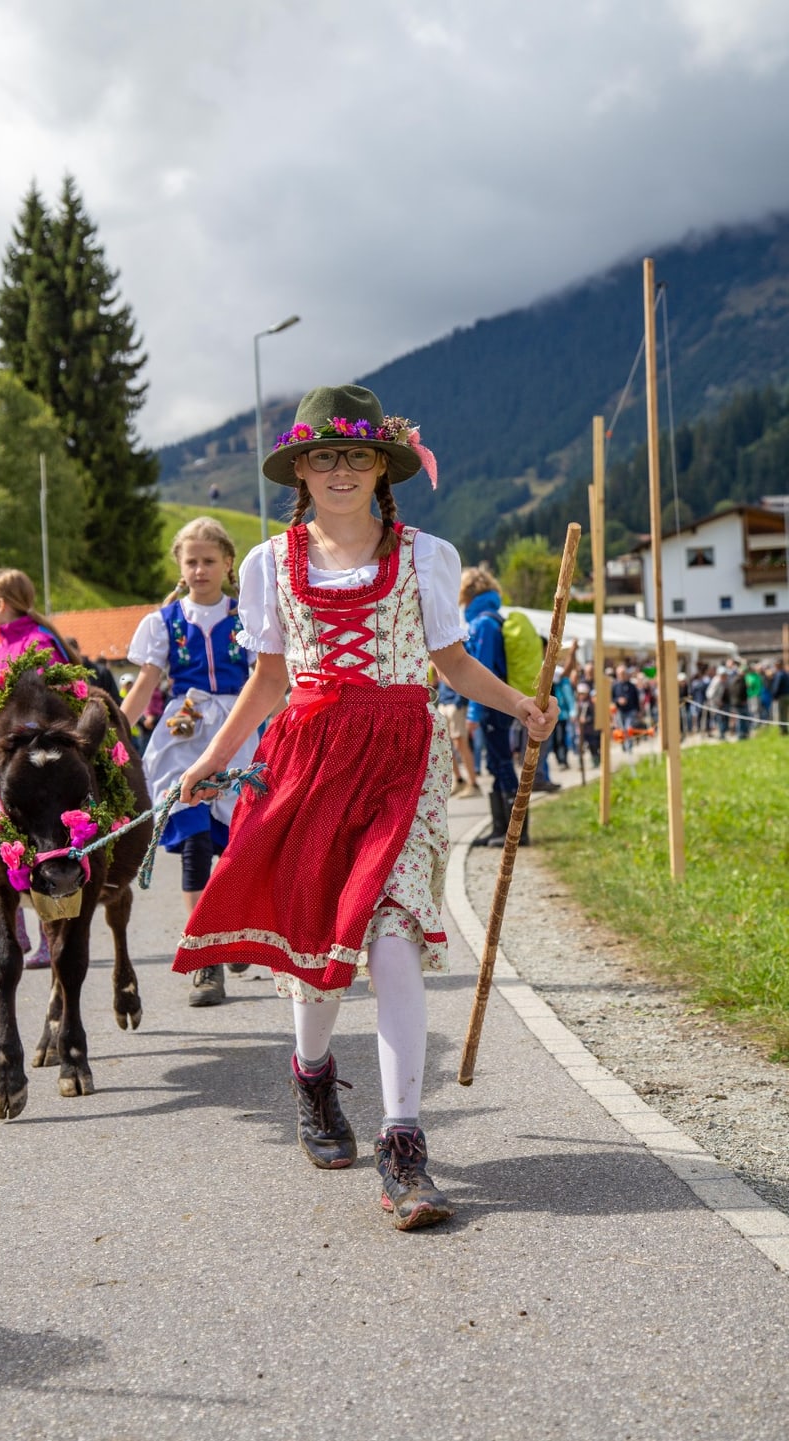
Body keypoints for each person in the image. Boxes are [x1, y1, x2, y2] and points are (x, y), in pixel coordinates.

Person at [171, 384, 557, 1231]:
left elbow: (450, 661)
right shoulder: (268, 565)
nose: (339, 470)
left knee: (391, 938)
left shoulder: (427, 555)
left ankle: (403, 1145)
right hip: (306, 758)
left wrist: (518, 704)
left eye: (354, 455)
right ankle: (311, 1076)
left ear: (381, 466)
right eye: (322, 456)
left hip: (399, 758)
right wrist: (211, 759)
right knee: (317, 947)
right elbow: (268, 680)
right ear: (300, 472)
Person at [123, 517, 257, 1007]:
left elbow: (268, 682)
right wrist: (108, 734)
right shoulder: (163, 623)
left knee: (238, 843)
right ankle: (206, 958)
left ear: (227, 563)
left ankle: (234, 928)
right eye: (191, 561)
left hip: (239, 729)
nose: (200, 569)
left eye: (208, 560)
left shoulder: (247, 617)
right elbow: (144, 686)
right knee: (198, 841)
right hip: (184, 734)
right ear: (180, 567)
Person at [0, 567, 77, 964]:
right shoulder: (1, 646)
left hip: (35, 768)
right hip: (2, 764)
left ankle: (47, 934)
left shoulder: (38, 643)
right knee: (0, 843)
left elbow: (49, 706)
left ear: (0, 604)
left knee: (40, 842)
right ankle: (12, 933)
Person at [462, 564, 540, 846]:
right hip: (499, 704)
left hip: (493, 704)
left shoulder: (482, 623)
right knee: (498, 762)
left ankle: (514, 832)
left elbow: (480, 670)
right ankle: (502, 830)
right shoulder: (494, 617)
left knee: (501, 763)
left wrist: (473, 713)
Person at [435, 674, 479, 798]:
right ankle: (459, 780)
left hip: (455, 703)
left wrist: (458, 702)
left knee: (460, 744)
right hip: (443, 701)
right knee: (444, 745)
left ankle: (473, 784)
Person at [611, 663, 640, 751]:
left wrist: (638, 710)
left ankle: (629, 746)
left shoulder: (631, 686)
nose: (622, 675)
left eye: (623, 673)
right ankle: (624, 744)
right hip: (620, 711)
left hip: (630, 711)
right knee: (621, 729)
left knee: (628, 728)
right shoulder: (615, 686)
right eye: (620, 673)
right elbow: (612, 699)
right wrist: (618, 701)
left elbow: (636, 698)